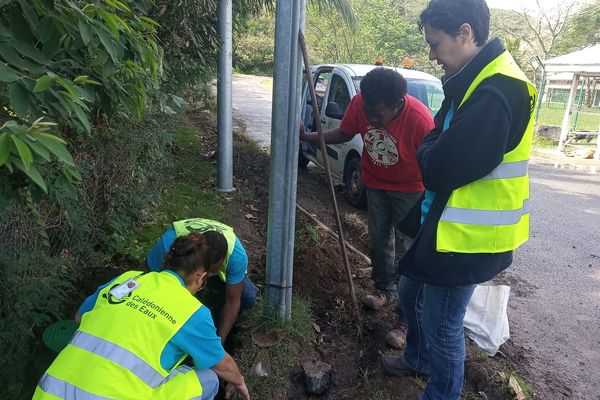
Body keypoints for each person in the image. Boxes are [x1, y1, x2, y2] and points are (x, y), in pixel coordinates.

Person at [381, 1, 537, 399]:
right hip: (447, 224)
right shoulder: (476, 78)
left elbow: (438, 166)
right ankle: (417, 358)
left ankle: (441, 394)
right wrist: (433, 145)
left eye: (436, 43)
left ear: (465, 32)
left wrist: (431, 148)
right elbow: (437, 137)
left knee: (443, 323)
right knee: (410, 290)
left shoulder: (497, 90)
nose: (432, 55)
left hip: (465, 239)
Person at [34, 232, 250, 400]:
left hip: (50, 392)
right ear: (200, 276)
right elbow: (221, 364)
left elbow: (80, 317)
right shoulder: (192, 311)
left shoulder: (129, 280)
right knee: (209, 378)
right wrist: (239, 381)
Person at [300, 67, 434, 311]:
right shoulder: (361, 103)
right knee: (379, 239)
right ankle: (385, 289)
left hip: (411, 190)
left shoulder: (420, 120)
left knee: (409, 247)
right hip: (375, 182)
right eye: (368, 113)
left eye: (379, 115)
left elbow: (433, 165)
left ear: (398, 104)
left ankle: (406, 314)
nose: (372, 120)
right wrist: (309, 137)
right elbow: (344, 132)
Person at [145, 218, 258, 344]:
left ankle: (212, 314)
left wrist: (219, 343)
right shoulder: (170, 244)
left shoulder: (236, 256)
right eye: (205, 270)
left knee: (247, 295)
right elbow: (143, 276)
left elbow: (233, 302)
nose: (207, 276)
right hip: (182, 259)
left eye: (212, 271)